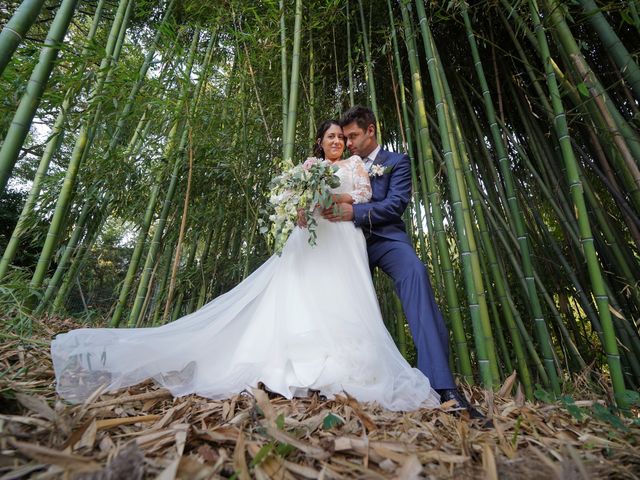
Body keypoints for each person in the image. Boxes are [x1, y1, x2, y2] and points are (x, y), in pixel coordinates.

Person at [50, 120, 441, 411]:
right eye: (331, 137)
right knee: (305, 297)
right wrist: (302, 210)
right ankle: (301, 362)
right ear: (320, 144)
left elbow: (362, 198)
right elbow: (290, 200)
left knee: (344, 300)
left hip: (346, 239)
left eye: (342, 136)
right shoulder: (307, 166)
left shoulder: (357, 167)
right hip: (313, 240)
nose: (337, 141)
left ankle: (349, 366)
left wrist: (344, 207)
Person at [322, 106, 481, 418]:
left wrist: (354, 212)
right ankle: (342, 378)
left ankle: (441, 385)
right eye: (346, 136)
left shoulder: (396, 161)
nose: (349, 141)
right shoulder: (336, 162)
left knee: (415, 274)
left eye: (353, 135)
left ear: (371, 130)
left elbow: (395, 205)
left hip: (385, 238)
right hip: (345, 243)